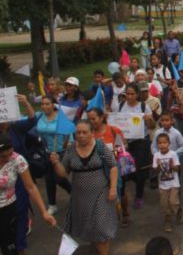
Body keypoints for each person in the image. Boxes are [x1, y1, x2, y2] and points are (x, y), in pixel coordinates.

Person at [50, 120, 118, 255]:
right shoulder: (70, 150)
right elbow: (63, 173)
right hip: (80, 198)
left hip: (101, 194)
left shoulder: (100, 146)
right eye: (78, 132)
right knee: (90, 229)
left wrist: (113, 188)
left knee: (101, 228)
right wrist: (56, 162)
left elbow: (113, 166)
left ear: (92, 133)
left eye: (84, 132)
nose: (81, 135)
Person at [0, 134, 56, 254]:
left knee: (12, 248)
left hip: (8, 209)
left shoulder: (17, 160)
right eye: (3, 156)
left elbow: (31, 187)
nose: (8, 158)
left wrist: (44, 212)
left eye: (10, 153)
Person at [114, 83, 155, 224]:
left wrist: (148, 120)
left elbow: (152, 126)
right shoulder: (120, 106)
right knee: (123, 168)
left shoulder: (143, 107)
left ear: (137, 94)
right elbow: (116, 123)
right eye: (127, 94)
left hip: (140, 142)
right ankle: (122, 196)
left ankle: (139, 194)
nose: (129, 96)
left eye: (132, 94)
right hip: (125, 142)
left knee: (139, 169)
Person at [35, 96, 73, 215]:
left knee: (59, 177)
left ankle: (73, 192)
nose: (44, 106)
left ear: (53, 105)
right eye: (42, 104)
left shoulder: (61, 117)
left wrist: (70, 144)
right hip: (45, 152)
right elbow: (28, 119)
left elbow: (69, 132)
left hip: (60, 151)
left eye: (47, 103)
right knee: (48, 179)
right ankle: (52, 204)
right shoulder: (40, 116)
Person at [152, 133, 182, 233]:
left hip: (174, 183)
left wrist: (172, 165)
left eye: (164, 142)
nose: (162, 145)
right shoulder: (156, 155)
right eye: (160, 143)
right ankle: (167, 221)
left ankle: (178, 210)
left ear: (169, 143)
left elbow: (177, 168)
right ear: (157, 145)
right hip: (162, 185)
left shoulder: (173, 154)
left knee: (173, 202)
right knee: (164, 205)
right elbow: (155, 171)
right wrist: (158, 167)